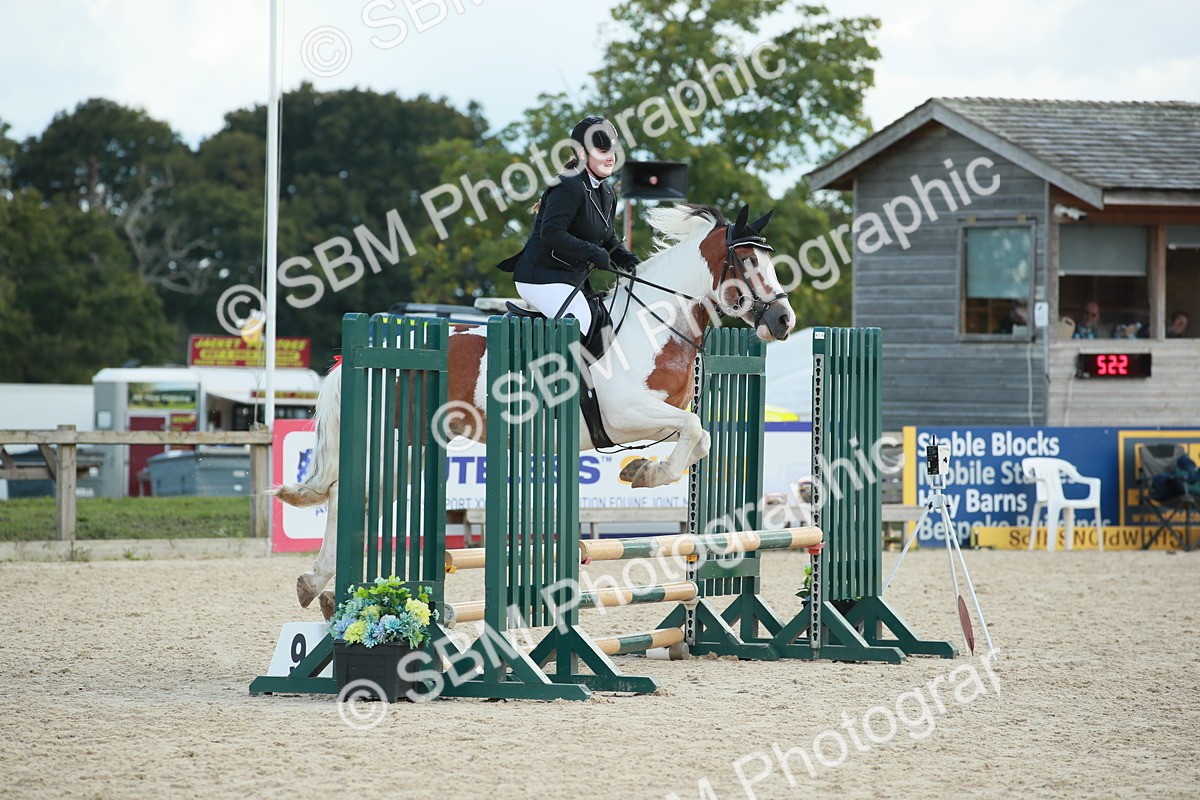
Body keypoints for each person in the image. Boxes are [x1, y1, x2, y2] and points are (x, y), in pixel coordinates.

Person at [508, 116, 639, 340]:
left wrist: (630, 262)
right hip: (541, 276)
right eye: (602, 151)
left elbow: (607, 241)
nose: (610, 158)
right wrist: (592, 252)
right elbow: (551, 233)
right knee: (581, 323)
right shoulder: (567, 184)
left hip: (570, 278)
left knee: (606, 322)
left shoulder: (607, 193)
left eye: (612, 151)